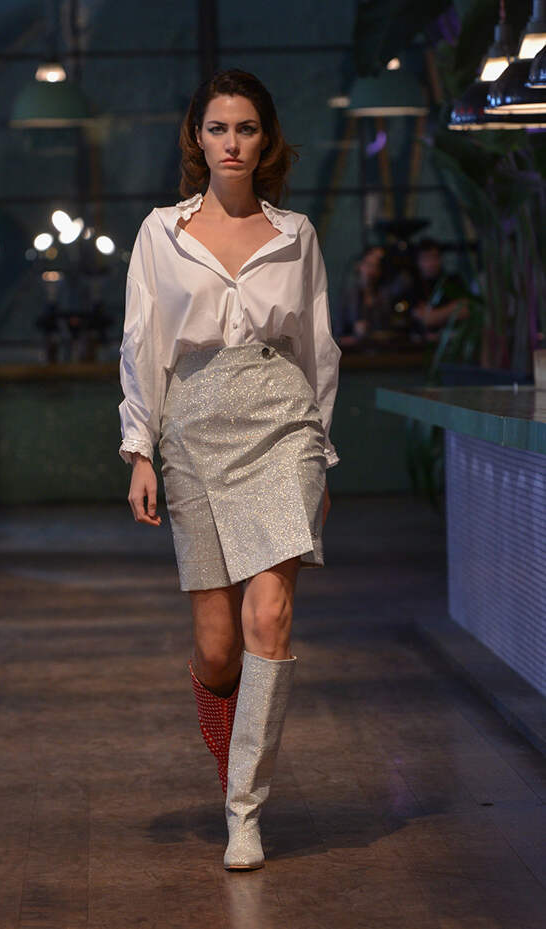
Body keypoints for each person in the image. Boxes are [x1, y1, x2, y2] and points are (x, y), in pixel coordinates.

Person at [117, 68, 342, 871]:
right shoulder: (161, 233)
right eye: (218, 128)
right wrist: (139, 449)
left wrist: (322, 451)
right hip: (193, 430)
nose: (232, 143)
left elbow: (317, 347)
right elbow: (142, 343)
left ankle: (244, 811)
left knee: (269, 616)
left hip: (283, 426)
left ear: (266, 138)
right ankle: (233, 760)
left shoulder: (296, 234)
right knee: (218, 648)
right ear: (198, 138)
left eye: (246, 128)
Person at [408, 237, 470, 337]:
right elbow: (422, 320)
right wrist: (449, 311)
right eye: (426, 258)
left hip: (452, 337)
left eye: (435, 257)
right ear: (418, 261)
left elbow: (464, 310)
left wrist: (433, 316)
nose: (431, 263)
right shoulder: (414, 285)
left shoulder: (452, 280)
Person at [339, 245, 391, 338]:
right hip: (352, 342)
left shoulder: (382, 294)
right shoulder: (349, 294)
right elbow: (339, 327)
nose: (371, 270)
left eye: (375, 266)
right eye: (368, 265)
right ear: (359, 266)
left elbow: (385, 324)